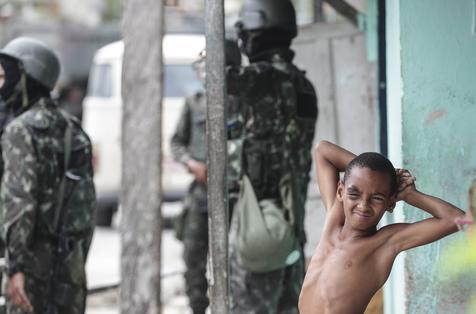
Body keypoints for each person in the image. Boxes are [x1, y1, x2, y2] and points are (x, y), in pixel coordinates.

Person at [298, 140, 466, 314]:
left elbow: (458, 219)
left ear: (391, 202)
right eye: (355, 193)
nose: (363, 205)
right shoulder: (333, 218)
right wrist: (384, 177)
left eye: (377, 198)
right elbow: (323, 150)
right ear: (341, 192)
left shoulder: (384, 244)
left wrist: (409, 194)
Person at [226, 0, 318, 312]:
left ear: (255, 33)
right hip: (292, 225)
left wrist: (217, 54)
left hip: (259, 228)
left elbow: (214, 77)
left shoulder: (260, 80)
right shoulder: (304, 86)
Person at [0, 37, 96, 314]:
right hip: (70, 267)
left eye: (6, 76)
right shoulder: (73, 129)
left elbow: (20, 203)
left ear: (26, 77)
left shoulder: (20, 130)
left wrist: (17, 266)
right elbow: (86, 204)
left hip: (31, 271)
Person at [170, 39, 241, 314]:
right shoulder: (195, 103)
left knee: (237, 262)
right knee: (193, 260)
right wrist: (191, 163)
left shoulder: (243, 104)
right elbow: (176, 143)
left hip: (237, 197)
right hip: (201, 197)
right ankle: (198, 309)